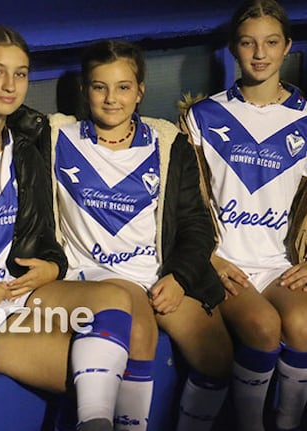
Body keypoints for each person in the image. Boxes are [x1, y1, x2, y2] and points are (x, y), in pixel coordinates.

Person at [0, 25, 138, 431]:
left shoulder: (27, 144)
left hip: (14, 293)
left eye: (21, 73)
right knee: (89, 373)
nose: (10, 85)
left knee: (114, 299)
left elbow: (44, 235)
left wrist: (54, 266)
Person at [49, 40, 234, 431]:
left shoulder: (167, 143)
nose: (111, 98)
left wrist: (180, 276)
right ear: (85, 90)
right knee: (138, 331)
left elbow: (196, 224)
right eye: (100, 86)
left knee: (218, 357)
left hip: (157, 274)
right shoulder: (54, 137)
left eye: (123, 87)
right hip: (94, 277)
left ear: (140, 91)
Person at [183, 1, 307, 430]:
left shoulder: (306, 118)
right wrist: (208, 259)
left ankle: (289, 422)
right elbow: (185, 204)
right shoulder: (203, 115)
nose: (260, 53)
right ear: (234, 48)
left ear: (287, 47)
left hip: (281, 265)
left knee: (304, 324)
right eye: (248, 42)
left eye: (271, 42)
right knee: (262, 325)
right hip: (226, 263)